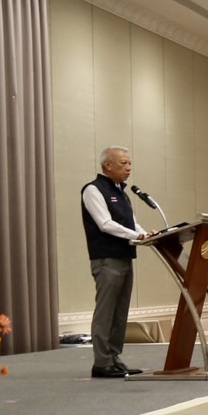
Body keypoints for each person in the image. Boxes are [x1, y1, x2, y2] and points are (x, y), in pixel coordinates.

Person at [81, 146, 148, 378]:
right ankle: (101, 362)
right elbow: (105, 224)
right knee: (106, 311)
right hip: (106, 259)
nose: (128, 168)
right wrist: (136, 235)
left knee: (120, 312)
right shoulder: (93, 189)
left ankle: (114, 358)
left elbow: (132, 223)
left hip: (125, 256)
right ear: (107, 165)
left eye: (130, 163)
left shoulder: (122, 193)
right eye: (123, 163)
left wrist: (148, 234)